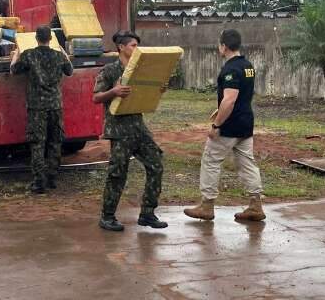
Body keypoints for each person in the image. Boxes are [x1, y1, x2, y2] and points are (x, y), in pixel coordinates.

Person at [184, 29, 265, 222]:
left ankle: (207, 205)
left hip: (229, 125)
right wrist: (219, 110)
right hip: (246, 123)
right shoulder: (247, 66)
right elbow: (240, 97)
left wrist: (216, 124)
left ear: (224, 46)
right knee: (247, 164)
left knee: (211, 161)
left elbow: (229, 100)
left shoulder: (230, 69)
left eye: (219, 44)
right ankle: (255, 205)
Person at [93, 31, 167, 231]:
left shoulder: (141, 70)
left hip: (138, 127)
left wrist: (157, 89)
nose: (136, 49)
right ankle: (107, 216)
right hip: (118, 129)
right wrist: (113, 92)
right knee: (118, 173)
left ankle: (147, 214)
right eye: (133, 45)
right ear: (121, 47)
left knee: (156, 164)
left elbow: (146, 93)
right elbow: (96, 97)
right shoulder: (109, 71)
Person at [10, 25, 73, 193]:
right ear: (50, 39)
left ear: (36, 38)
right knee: (55, 141)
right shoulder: (58, 56)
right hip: (55, 105)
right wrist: (65, 54)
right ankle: (52, 177)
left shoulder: (29, 55)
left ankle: (38, 182)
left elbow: (14, 70)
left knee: (37, 143)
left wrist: (16, 55)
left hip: (37, 106)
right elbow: (70, 71)